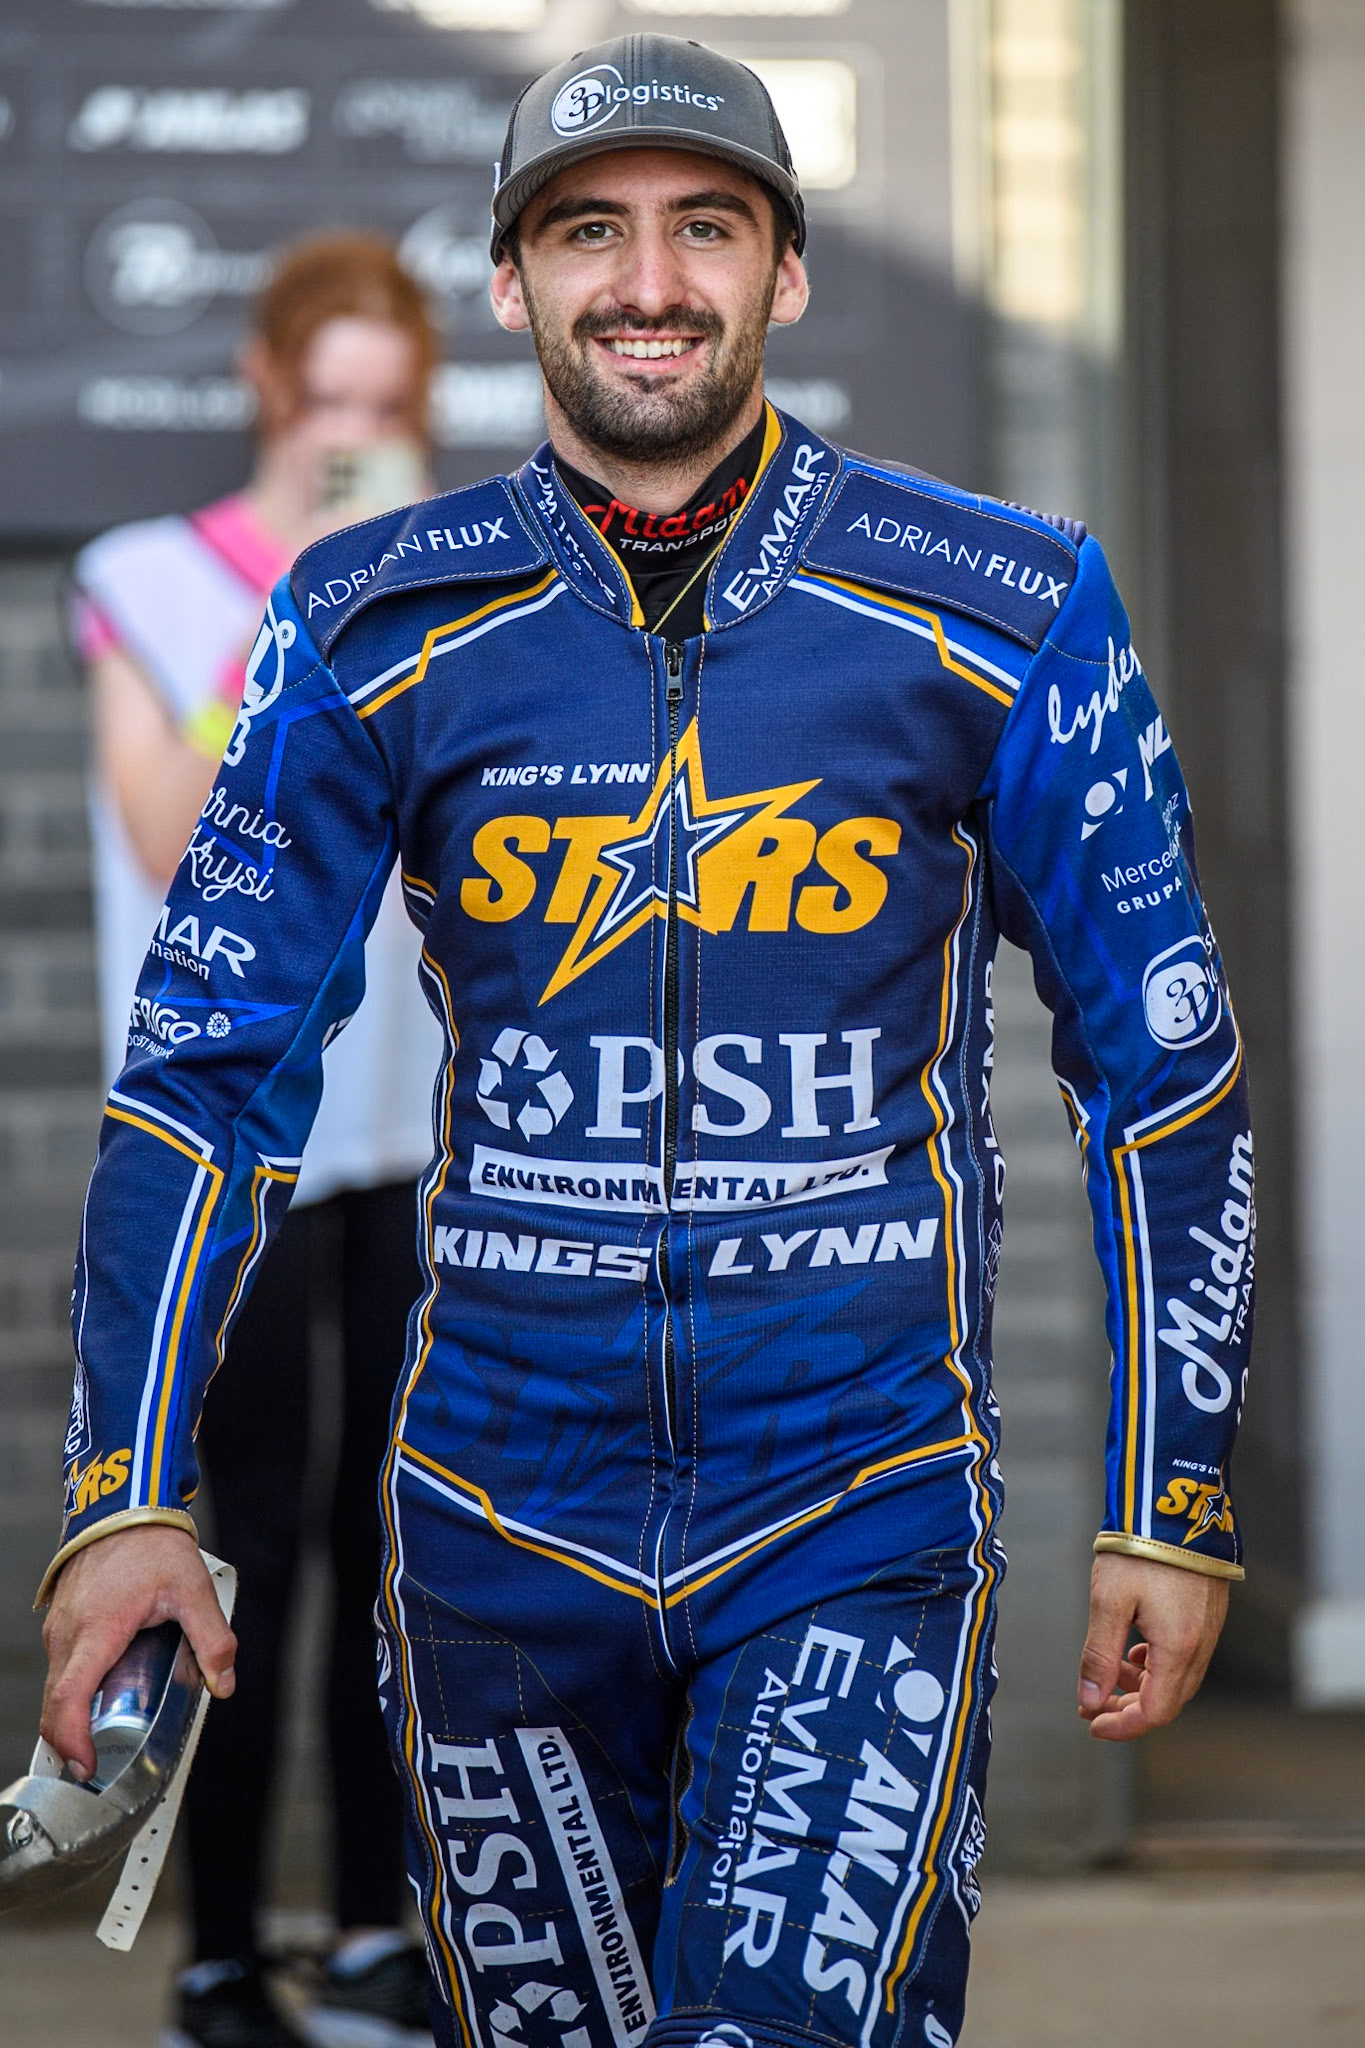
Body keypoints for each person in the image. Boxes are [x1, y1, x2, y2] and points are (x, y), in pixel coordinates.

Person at [41, 36, 1252, 2048]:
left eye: (707, 224)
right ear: (509, 286)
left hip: (851, 1495)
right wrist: (129, 1491)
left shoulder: (1001, 601)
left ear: (783, 272)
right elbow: (203, 1069)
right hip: (497, 1524)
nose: (648, 278)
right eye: (586, 230)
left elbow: (1163, 1058)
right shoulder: (368, 621)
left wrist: (1172, 1497)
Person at [69, 233, 444, 2048]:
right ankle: (223, 1959)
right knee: (242, 1549)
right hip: (241, 1154)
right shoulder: (146, 580)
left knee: (396, 1542)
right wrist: (293, 602)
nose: (358, 430)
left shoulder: (429, 589)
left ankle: (374, 1935)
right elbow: (166, 837)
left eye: (392, 405)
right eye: (331, 399)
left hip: (405, 1137)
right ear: (267, 385)